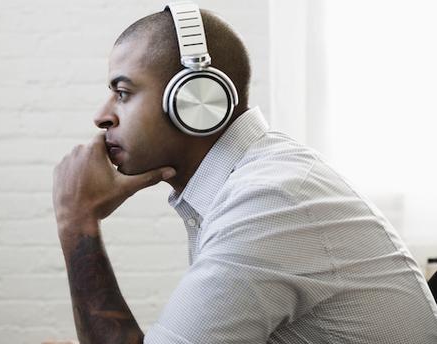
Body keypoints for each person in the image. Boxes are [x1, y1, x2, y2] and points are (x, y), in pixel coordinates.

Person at [51, 3, 437, 344]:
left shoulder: (271, 200)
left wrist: (76, 219)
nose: (102, 116)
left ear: (195, 100)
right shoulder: (248, 182)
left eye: (123, 92)